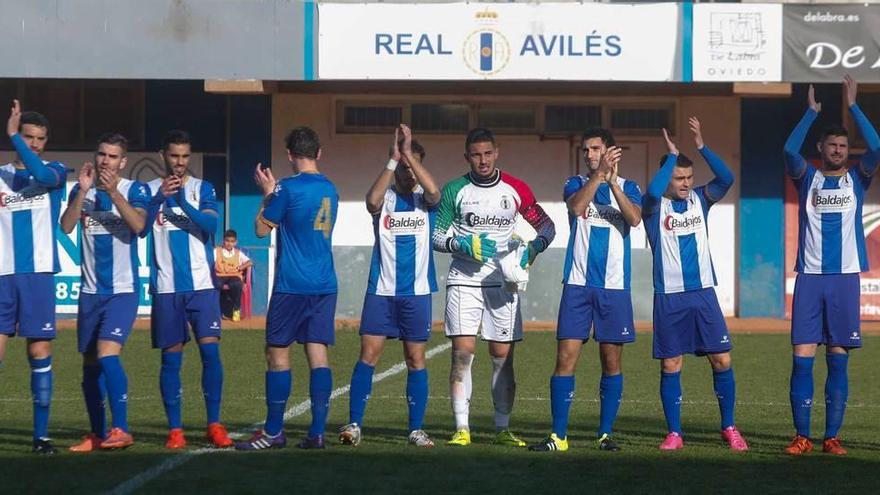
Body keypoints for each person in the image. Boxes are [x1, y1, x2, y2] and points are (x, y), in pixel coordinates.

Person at [432, 127, 556, 447]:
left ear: (497, 153)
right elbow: (436, 236)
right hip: (464, 280)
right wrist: (459, 244)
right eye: (476, 154)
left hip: (503, 283)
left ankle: (502, 428)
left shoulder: (515, 188)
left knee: (502, 358)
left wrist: (534, 247)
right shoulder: (454, 190)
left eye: (488, 153)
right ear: (467, 157)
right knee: (463, 354)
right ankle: (462, 428)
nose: (483, 160)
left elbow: (547, 224)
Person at [782, 76, 880, 456]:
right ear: (821, 148)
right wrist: (810, 114)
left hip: (844, 281)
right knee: (802, 359)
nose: (838, 150)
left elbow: (877, 146)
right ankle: (802, 435)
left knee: (838, 360)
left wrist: (855, 107)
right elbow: (789, 148)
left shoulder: (858, 178)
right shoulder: (807, 177)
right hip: (810, 279)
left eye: (843, 145)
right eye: (832, 145)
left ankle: (831, 437)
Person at [529, 128, 641, 453]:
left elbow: (634, 219)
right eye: (586, 150)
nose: (590, 154)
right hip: (577, 286)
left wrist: (613, 182)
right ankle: (558, 437)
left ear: (610, 151)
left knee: (611, 360)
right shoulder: (575, 183)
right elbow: (577, 208)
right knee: (565, 357)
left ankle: (604, 434)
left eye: (596, 149)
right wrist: (599, 176)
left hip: (614, 288)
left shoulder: (631, 187)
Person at [643, 117, 747, 451]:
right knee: (671, 364)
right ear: (668, 177)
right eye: (679, 177)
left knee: (722, 360)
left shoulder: (701, 200)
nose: (686, 183)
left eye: (689, 177)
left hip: (703, 294)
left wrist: (700, 146)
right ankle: (674, 432)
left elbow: (727, 178)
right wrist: (671, 157)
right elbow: (651, 191)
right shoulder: (653, 208)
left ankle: (729, 427)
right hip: (669, 297)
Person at [236, 126, 339, 450]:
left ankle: (273, 432)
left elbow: (260, 229)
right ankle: (317, 432)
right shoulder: (331, 189)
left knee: (277, 353)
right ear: (319, 153)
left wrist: (267, 193)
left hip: (292, 285)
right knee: (318, 352)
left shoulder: (287, 189)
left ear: (290, 155)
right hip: (325, 283)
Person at [338, 124, 440, 448]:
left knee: (415, 359)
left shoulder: (427, 202)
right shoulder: (387, 199)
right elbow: (370, 200)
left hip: (417, 294)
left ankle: (415, 429)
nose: (408, 173)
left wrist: (409, 155)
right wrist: (394, 159)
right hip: (381, 291)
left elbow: (436, 192)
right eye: (403, 167)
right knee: (369, 355)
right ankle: (354, 425)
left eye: (413, 166)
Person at [145, 130, 232, 449]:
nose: (179, 163)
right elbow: (139, 228)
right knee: (171, 360)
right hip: (167, 289)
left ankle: (214, 424)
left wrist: (181, 202)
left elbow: (210, 226)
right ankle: (175, 430)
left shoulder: (202, 188)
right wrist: (159, 199)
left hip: (201, 287)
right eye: (174, 156)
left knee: (210, 352)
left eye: (184, 157)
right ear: (162, 155)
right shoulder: (149, 191)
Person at [61, 133, 148, 452]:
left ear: (122, 162)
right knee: (88, 363)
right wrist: (83, 192)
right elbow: (67, 226)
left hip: (122, 291)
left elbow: (140, 225)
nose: (105, 161)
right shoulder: (81, 189)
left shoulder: (133, 189)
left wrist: (113, 193)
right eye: (101, 154)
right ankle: (97, 434)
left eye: (112, 157)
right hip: (89, 291)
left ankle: (121, 428)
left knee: (107, 353)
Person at [0, 100, 67, 454]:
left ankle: (40, 436)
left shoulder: (53, 171)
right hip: (2, 275)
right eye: (29, 137)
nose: (35, 144)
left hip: (38, 274)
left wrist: (13, 137)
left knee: (39, 351)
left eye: (40, 138)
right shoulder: (0, 175)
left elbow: (40, 175)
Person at [215, 229, 253, 321]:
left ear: (235, 242)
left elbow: (250, 262)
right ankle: (216, 311)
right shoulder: (217, 251)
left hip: (234, 275)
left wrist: (241, 267)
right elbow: (209, 261)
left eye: (232, 241)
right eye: (227, 241)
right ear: (223, 240)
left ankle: (236, 310)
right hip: (220, 275)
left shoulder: (238, 253)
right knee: (217, 284)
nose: (229, 243)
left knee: (237, 284)